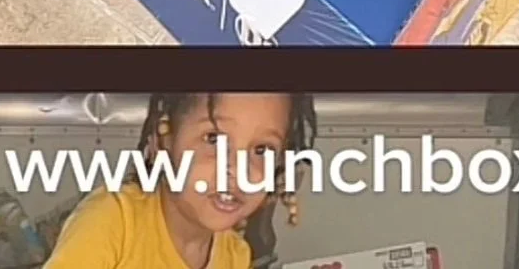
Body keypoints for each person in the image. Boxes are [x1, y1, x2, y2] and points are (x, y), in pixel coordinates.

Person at [46, 93, 317, 269]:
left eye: (262, 150)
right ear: (164, 140)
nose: (238, 169)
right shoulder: (113, 219)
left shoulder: (235, 256)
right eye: (214, 139)